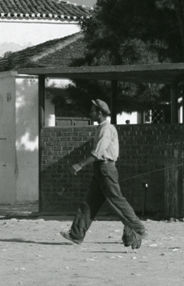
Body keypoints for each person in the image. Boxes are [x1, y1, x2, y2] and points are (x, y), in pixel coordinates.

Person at [60, 99, 147, 249]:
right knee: (89, 202)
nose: (90, 113)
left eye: (92, 111)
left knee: (117, 200)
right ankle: (76, 234)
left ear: (99, 113)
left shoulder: (106, 129)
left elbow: (98, 153)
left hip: (105, 168)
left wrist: (79, 164)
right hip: (100, 169)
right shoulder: (101, 128)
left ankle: (137, 227)